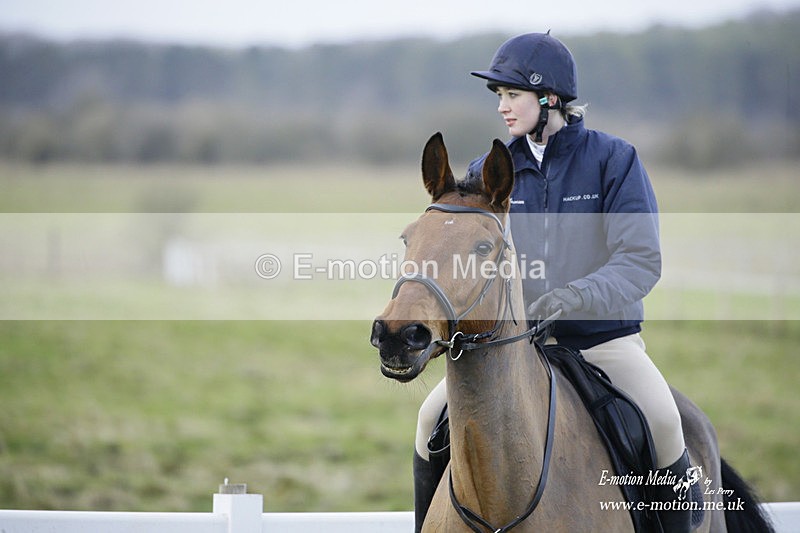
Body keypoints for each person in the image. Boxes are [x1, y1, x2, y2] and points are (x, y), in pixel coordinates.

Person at [413, 32, 693, 532]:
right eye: (498, 96)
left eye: (512, 95)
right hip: (516, 346)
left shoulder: (613, 159)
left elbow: (640, 260)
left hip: (602, 342)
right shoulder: (490, 170)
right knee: (427, 422)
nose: (503, 107)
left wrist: (574, 297)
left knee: (665, 422)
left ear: (550, 99)